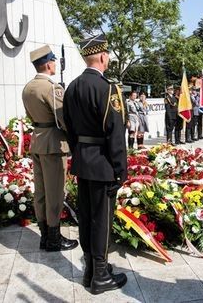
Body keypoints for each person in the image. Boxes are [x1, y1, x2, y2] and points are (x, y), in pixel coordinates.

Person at [63, 34, 128, 294]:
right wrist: (120, 170)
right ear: (102, 56)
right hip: (103, 164)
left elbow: (67, 126)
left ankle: (91, 268)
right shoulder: (108, 89)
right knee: (101, 220)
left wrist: (79, 152)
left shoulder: (72, 87)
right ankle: (100, 276)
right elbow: (115, 133)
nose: (109, 58)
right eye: (108, 55)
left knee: (87, 217)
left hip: (83, 162)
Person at [21, 45, 78, 252]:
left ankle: (45, 235)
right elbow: (64, 119)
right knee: (55, 192)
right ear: (47, 63)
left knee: (41, 192)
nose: (55, 63)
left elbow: (31, 116)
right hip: (53, 144)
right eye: (53, 60)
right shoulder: (51, 88)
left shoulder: (28, 88)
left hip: (37, 141)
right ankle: (53, 238)